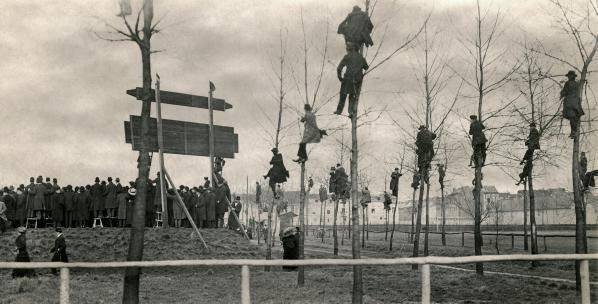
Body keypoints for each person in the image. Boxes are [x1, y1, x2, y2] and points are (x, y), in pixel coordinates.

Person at [336, 42, 369, 117]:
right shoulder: (361, 57)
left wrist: (340, 78)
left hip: (347, 79)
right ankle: (351, 112)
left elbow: (339, 68)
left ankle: (339, 110)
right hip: (357, 80)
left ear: (349, 49)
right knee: (352, 96)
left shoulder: (347, 56)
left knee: (343, 94)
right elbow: (366, 67)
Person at [560, 70, 584, 138]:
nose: (568, 77)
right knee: (574, 118)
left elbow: (564, 92)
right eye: (568, 76)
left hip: (570, 104)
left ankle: (574, 132)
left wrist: (561, 94)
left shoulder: (567, 83)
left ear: (572, 76)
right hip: (576, 104)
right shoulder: (577, 84)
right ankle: (574, 132)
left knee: (572, 118)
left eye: (569, 76)